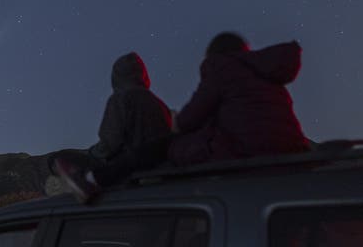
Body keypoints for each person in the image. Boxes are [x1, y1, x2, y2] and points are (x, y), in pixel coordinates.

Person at [169, 32, 310, 165]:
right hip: (291, 148)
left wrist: (175, 122)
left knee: (179, 148)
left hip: (248, 150)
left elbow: (192, 116)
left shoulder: (221, 67)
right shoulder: (266, 74)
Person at [54, 52, 172, 203]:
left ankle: (85, 183)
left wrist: (91, 155)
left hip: (127, 172)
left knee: (61, 159)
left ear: (116, 76)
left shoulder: (121, 98)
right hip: (159, 170)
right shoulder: (159, 104)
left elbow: (110, 142)